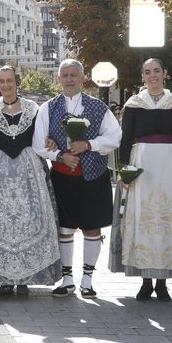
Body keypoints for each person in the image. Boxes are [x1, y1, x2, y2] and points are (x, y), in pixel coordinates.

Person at [108, 59, 172, 301]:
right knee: (142, 219)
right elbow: (125, 140)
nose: (152, 76)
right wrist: (123, 171)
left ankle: (162, 282)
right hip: (142, 165)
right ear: (142, 77)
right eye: (147, 72)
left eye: (156, 71)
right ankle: (145, 281)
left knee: (170, 220)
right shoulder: (134, 104)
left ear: (165, 73)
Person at [0, 67, 61, 294]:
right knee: (0, 224)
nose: (5, 85)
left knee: (28, 221)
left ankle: (25, 277)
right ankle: (5, 279)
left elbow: (42, 137)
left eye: (9, 81)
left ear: (17, 83)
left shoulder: (33, 109)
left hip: (29, 174)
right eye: (1, 82)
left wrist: (52, 142)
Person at [33, 59, 121, 298]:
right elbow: (38, 143)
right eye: (65, 75)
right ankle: (67, 278)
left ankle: (88, 279)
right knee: (64, 228)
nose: (69, 79)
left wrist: (89, 145)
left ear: (82, 78)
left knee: (92, 228)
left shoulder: (98, 107)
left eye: (74, 75)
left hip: (94, 177)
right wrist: (60, 155)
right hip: (62, 177)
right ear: (59, 78)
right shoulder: (48, 108)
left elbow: (115, 137)